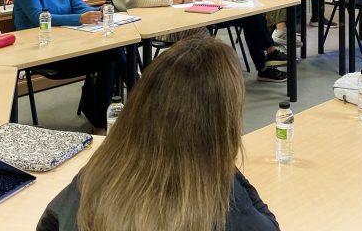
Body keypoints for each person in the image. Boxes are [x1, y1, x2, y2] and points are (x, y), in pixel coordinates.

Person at [37, 38, 280, 231]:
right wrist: (220, 159)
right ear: (223, 124)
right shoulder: (222, 203)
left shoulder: (96, 174)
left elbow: (48, 224)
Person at [12, 0, 125, 132]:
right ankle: (142, 94)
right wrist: (80, 19)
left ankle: (101, 123)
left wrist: (99, 11)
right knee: (113, 55)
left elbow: (80, 8)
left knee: (111, 54)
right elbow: (39, 18)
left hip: (68, 46)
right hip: (41, 53)